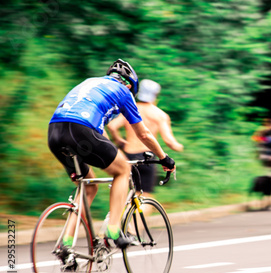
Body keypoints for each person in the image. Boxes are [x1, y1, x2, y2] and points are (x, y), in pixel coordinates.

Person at [48, 59, 175, 255]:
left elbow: (101, 135)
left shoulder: (91, 83)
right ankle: (113, 231)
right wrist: (164, 157)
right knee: (123, 169)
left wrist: (114, 153)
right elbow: (144, 134)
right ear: (129, 85)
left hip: (55, 132)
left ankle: (65, 245)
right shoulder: (124, 92)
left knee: (88, 186)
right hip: (80, 130)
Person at [107, 79, 183, 198]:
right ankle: (131, 216)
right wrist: (180, 147)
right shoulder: (160, 115)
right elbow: (169, 141)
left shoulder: (131, 110)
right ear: (155, 96)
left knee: (126, 193)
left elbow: (112, 126)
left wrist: (118, 140)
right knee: (145, 196)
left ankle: (120, 215)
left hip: (128, 155)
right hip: (147, 157)